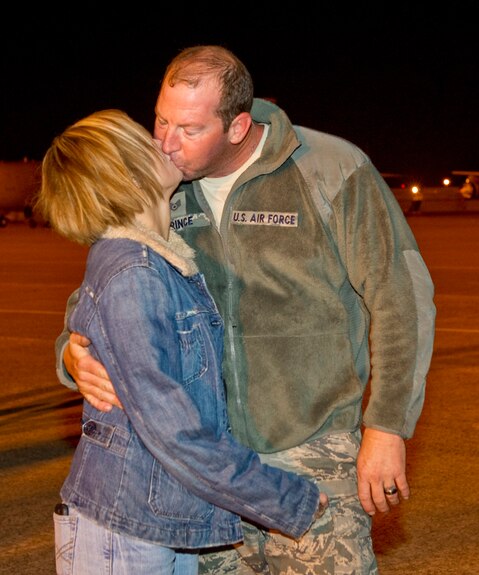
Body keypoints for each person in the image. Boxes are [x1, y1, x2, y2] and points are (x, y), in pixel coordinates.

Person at [58, 45, 436, 574]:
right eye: (161, 120)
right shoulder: (160, 189)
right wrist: (72, 358)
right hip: (208, 467)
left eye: (189, 129)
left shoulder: (330, 169)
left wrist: (387, 426)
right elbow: (95, 304)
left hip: (313, 452)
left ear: (237, 126)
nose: (166, 143)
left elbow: (402, 298)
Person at [39, 109, 327, 575]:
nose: (165, 143)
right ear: (127, 176)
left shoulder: (159, 261)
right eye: (147, 143)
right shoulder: (134, 273)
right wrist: (284, 499)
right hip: (127, 528)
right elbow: (172, 430)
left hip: (153, 523)